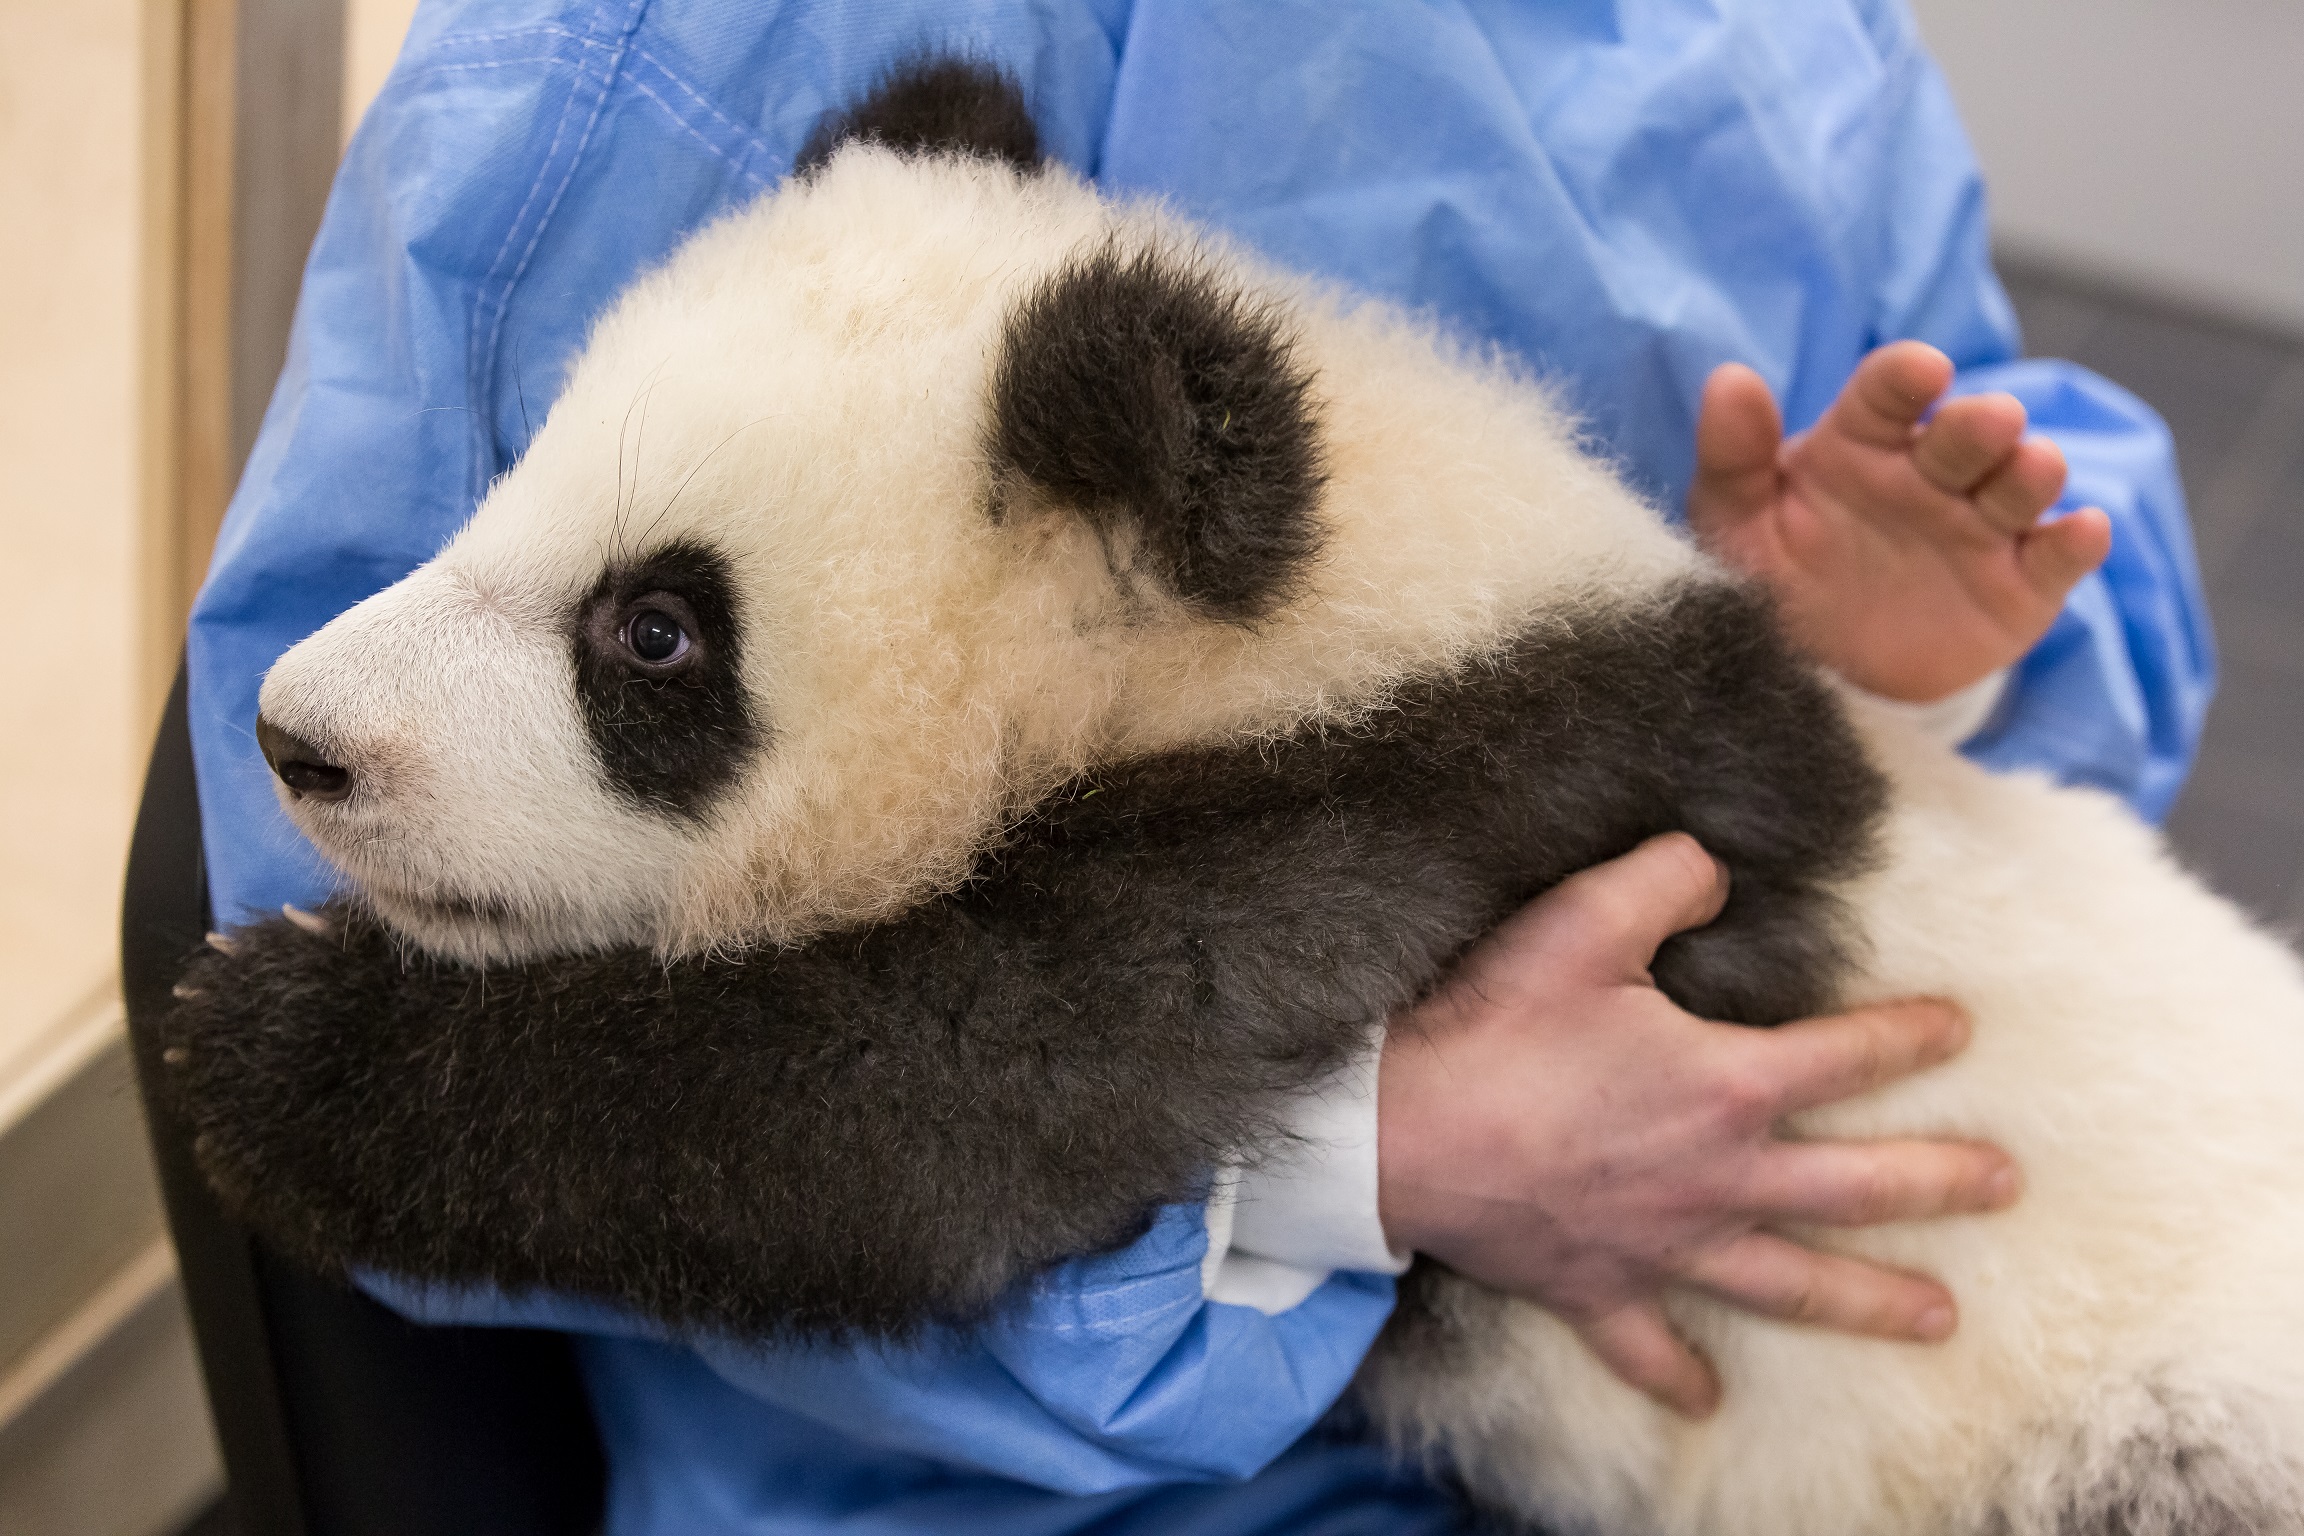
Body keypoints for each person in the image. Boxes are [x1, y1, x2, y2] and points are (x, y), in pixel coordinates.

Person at [185, 2, 2213, 1531]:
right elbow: (335, 853)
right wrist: (1357, 1166)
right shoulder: (649, 65)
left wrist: (1898, 642)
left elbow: (931, 1088)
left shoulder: (1768, 50)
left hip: (2118, 1399)